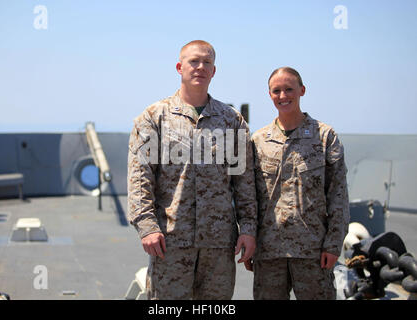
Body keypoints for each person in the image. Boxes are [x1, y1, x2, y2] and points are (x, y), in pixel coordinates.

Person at [127, 40, 257, 300]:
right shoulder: (154, 117)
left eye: (207, 62)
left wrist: (249, 228)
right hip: (171, 240)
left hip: (218, 244)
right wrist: (147, 226)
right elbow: (140, 176)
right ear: (179, 67)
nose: (200, 67)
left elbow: (243, 180)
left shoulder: (231, 120)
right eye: (194, 61)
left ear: (214, 70)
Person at [250, 67, 350, 300]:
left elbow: (338, 194)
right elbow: (250, 198)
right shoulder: (258, 141)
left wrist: (333, 244)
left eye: (289, 89)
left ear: (302, 91)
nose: (283, 96)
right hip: (269, 252)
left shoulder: (324, 136)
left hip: (313, 251)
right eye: (277, 91)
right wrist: (251, 241)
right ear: (270, 95)